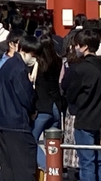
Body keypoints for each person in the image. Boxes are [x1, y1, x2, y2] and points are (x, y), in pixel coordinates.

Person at [61, 28, 101, 181]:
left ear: (84, 46)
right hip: (100, 117)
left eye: (77, 45)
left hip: (84, 118)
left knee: (86, 162)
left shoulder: (82, 68)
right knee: (97, 160)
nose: (76, 48)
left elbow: (70, 94)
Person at [0, 35, 40, 181]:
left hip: (2, 121)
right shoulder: (19, 68)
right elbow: (26, 96)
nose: (34, 59)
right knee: (23, 167)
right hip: (16, 122)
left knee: (8, 168)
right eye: (34, 55)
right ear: (25, 51)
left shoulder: (7, 64)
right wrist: (33, 109)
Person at [33, 28, 63, 172]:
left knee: (31, 140)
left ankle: (46, 166)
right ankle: (55, 168)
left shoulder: (38, 64)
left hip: (43, 106)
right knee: (53, 143)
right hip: (56, 104)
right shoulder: (57, 61)